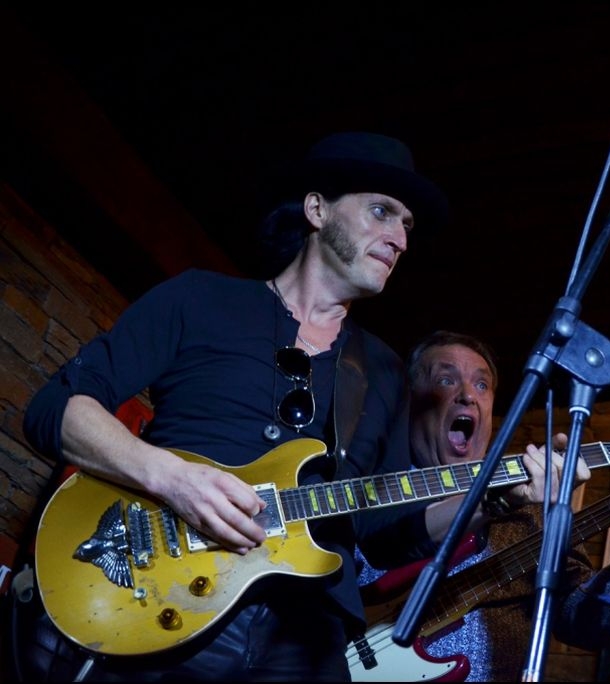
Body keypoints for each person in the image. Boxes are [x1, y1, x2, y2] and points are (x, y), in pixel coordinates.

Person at [19, 132, 517, 682]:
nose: (399, 237)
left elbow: (381, 529)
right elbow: (54, 408)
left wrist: (488, 497)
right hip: (165, 602)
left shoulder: (382, 370)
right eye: (382, 212)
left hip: (305, 638)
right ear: (316, 208)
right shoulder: (200, 300)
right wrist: (171, 478)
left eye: (407, 226)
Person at [353, 330, 610, 682]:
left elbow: (584, 625)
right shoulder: (369, 488)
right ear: (409, 402)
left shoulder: (533, 510)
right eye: (445, 379)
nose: (468, 396)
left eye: (482, 386)